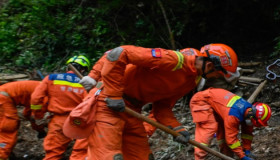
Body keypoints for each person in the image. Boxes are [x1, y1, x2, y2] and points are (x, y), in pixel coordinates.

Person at [84, 43, 239, 160]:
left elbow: (162, 107)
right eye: (217, 76)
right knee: (107, 156)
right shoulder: (172, 60)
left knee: (143, 157)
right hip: (106, 103)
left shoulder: (190, 81)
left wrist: (177, 129)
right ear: (210, 65)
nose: (216, 81)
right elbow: (119, 53)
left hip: (131, 110)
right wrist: (113, 93)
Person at [30, 55, 91, 160]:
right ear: (83, 70)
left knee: (53, 153)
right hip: (81, 122)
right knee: (80, 153)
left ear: (68, 67)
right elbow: (90, 104)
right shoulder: (87, 85)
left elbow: (36, 98)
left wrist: (38, 115)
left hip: (59, 121)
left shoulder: (51, 78)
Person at [189, 87, 271, 160]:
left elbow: (247, 133)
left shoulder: (249, 111)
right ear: (253, 116)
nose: (254, 125)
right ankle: (199, 157)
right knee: (209, 128)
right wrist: (242, 156)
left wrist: (247, 150)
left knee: (223, 131)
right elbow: (231, 139)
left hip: (216, 103)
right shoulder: (233, 115)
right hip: (201, 101)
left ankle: (226, 156)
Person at [0, 80, 42, 159]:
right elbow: (36, 115)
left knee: (3, 126)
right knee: (9, 126)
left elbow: (28, 113)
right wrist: (40, 128)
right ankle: (1, 154)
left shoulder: (40, 88)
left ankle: (4, 151)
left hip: (4, 96)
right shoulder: (45, 94)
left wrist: (38, 128)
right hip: (3, 98)